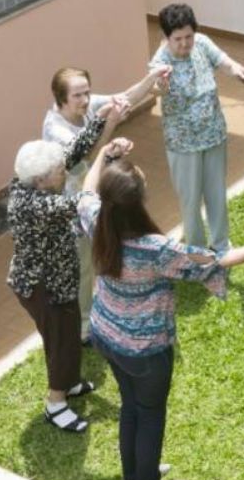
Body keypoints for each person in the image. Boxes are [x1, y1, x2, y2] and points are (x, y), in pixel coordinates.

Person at [78, 143, 244, 480]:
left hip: (106, 335)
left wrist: (103, 154)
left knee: (131, 406)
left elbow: (87, 188)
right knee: (149, 414)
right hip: (146, 350)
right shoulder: (157, 250)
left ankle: (135, 474)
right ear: (137, 203)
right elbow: (217, 259)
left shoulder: (95, 217)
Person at [6, 102, 121, 433]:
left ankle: (69, 383)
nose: (64, 173)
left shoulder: (30, 180)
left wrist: (99, 122)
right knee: (60, 341)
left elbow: (71, 155)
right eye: (59, 172)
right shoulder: (35, 205)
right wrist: (107, 159)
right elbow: (84, 200)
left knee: (68, 333)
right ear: (43, 180)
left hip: (58, 279)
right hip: (43, 286)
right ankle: (56, 403)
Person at [42, 65, 172, 341]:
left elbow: (126, 96)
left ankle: (101, 310)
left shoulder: (85, 108)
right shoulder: (55, 129)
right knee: (83, 268)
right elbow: (87, 157)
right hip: (70, 209)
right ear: (61, 99)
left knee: (99, 255)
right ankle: (84, 328)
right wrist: (111, 124)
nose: (85, 100)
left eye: (86, 92)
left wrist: (152, 77)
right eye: (77, 96)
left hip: (91, 200)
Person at [150, 3, 244, 254]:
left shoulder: (202, 43)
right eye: (178, 39)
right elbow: (155, 88)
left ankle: (221, 244)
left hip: (214, 134)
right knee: (190, 200)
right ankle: (196, 251)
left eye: (188, 37)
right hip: (183, 144)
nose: (185, 43)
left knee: (216, 192)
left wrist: (239, 70)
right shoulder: (160, 62)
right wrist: (160, 85)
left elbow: (225, 62)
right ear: (166, 38)